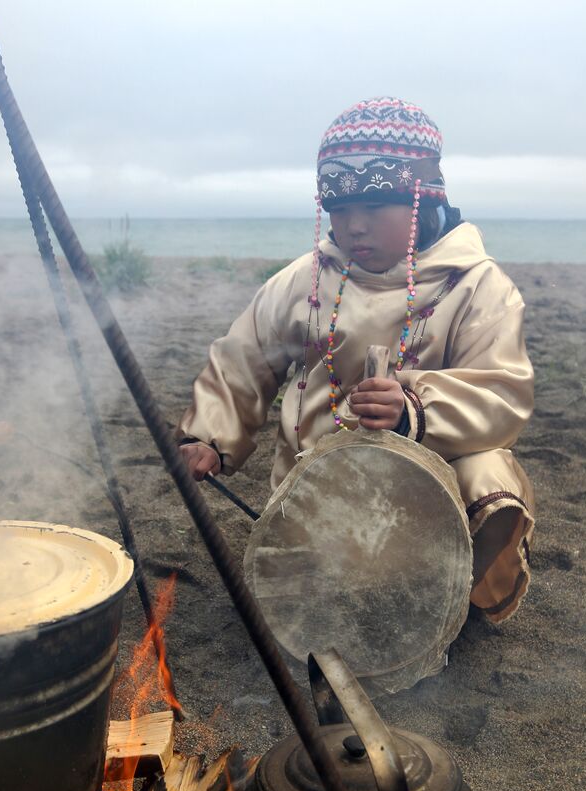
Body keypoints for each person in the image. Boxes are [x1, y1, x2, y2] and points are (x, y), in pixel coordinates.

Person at [177, 97, 535, 623]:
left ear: (422, 198)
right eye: (340, 210)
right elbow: (243, 358)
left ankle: (451, 597)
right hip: (315, 487)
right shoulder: (308, 278)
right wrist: (208, 436)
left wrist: (414, 410)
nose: (354, 227)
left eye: (374, 207)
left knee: (490, 474)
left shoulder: (477, 286)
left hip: (425, 496)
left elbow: (502, 393)